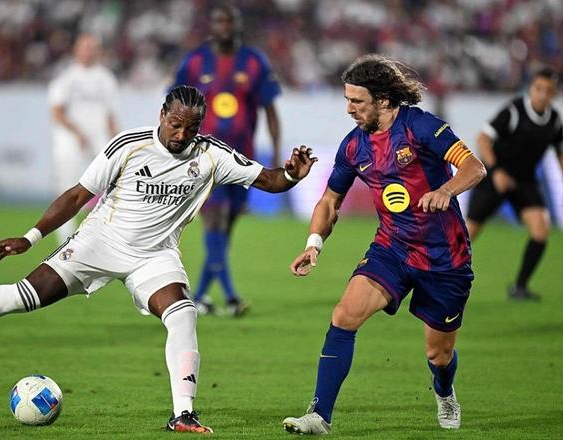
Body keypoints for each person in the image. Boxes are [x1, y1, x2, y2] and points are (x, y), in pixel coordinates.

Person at [0, 86, 317, 434]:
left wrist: (292, 175)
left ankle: (183, 413)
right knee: (25, 296)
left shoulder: (210, 154)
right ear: (162, 114)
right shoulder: (129, 145)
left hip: (155, 255)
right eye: (176, 124)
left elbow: (269, 180)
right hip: (98, 243)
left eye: (191, 128)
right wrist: (30, 238)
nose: (182, 134)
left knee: (183, 314)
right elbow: (77, 195)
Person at [281, 55, 486, 435]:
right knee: (344, 315)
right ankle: (320, 415)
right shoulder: (353, 146)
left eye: (357, 101)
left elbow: (474, 166)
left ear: (384, 100)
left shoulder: (422, 127)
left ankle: (444, 391)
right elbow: (329, 201)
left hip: (445, 256)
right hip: (392, 248)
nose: (349, 109)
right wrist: (314, 244)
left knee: (438, 354)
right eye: (347, 99)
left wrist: (445, 190)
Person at [170, 3, 282, 316]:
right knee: (215, 219)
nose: (225, 27)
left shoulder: (254, 61)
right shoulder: (194, 61)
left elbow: (270, 109)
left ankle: (199, 297)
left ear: (237, 25)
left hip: (242, 159)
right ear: (211, 26)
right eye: (219, 21)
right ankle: (232, 297)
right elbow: (173, 103)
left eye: (229, 21)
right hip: (203, 156)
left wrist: (275, 151)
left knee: (226, 228)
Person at [466, 67, 563, 301]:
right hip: (495, 177)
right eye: (539, 88)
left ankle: (519, 287)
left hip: (524, 180)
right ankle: (432, 278)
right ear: (531, 88)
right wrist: (496, 170)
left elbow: (559, 151)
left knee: (540, 230)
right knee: (467, 235)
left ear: (554, 93)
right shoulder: (514, 110)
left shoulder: (554, 120)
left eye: (548, 91)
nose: (543, 94)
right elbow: (483, 138)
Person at [48, 33, 120, 244]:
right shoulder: (66, 79)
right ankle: (65, 242)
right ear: (76, 50)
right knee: (67, 191)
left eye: (93, 47)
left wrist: (118, 142)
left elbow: (111, 116)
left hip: (99, 144)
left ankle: (96, 240)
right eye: (85, 47)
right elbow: (57, 113)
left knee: (106, 192)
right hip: (70, 144)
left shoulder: (106, 79)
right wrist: (77, 133)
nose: (89, 52)